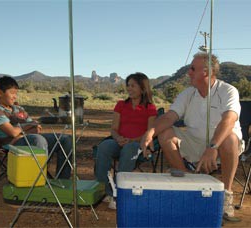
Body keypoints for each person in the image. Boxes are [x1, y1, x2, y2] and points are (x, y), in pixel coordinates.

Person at [140, 52, 242, 220]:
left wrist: (212, 147)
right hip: (194, 142)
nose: (189, 73)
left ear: (207, 72)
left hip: (221, 143)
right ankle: (189, 183)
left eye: (193, 69)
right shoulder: (188, 93)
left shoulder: (228, 91)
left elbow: (229, 120)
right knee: (165, 133)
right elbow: (169, 117)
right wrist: (151, 132)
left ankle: (226, 195)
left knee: (230, 137)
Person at [0, 76, 72, 179]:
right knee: (38, 139)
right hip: (12, 144)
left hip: (27, 138)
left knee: (66, 139)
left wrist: (24, 129)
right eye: (12, 93)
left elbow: (36, 128)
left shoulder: (18, 108)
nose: (15, 97)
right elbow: (12, 132)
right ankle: (39, 182)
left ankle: (63, 180)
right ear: (0, 93)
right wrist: (28, 127)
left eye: (16, 93)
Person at [95, 72, 157, 209]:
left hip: (137, 144)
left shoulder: (150, 108)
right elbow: (114, 129)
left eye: (133, 86)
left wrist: (131, 140)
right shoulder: (121, 105)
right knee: (104, 146)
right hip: (119, 141)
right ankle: (104, 191)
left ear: (142, 88)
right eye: (128, 85)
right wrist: (118, 138)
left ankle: (119, 192)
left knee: (130, 149)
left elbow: (149, 132)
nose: (129, 88)